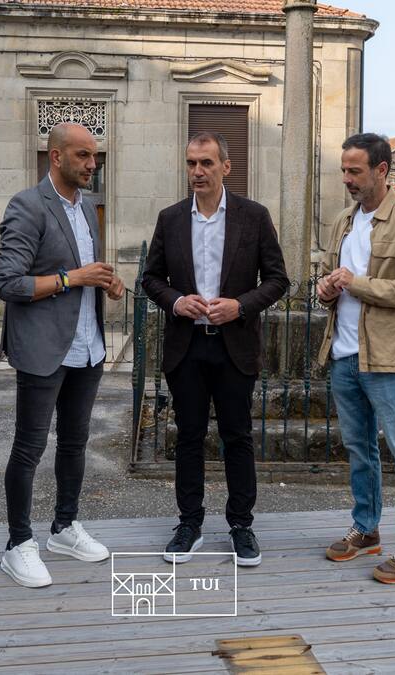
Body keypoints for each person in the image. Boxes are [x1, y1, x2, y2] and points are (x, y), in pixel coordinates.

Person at [141, 131, 288, 567]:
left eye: (206, 163)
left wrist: (240, 305)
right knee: (187, 439)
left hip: (234, 347)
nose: (197, 172)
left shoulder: (253, 216)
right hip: (186, 348)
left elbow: (278, 280)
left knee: (237, 437)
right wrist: (176, 301)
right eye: (191, 164)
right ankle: (189, 524)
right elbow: (151, 278)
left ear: (226, 166)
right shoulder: (170, 219)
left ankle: (241, 526)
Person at [0, 122, 125, 587]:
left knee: (75, 443)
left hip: (88, 347)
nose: (93, 164)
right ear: (56, 156)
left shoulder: (88, 208)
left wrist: (108, 283)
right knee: (29, 448)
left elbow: (87, 273)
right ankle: (18, 543)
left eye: (96, 157)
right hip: (43, 349)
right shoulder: (27, 206)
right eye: (84, 156)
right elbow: (9, 283)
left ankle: (65, 527)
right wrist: (74, 278)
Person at [315, 132, 395, 584]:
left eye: (355, 171)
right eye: (344, 170)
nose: (347, 179)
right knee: (359, 450)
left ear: (382, 170)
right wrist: (327, 289)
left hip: (389, 359)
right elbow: (335, 283)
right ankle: (366, 530)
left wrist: (357, 283)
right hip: (344, 354)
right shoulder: (344, 221)